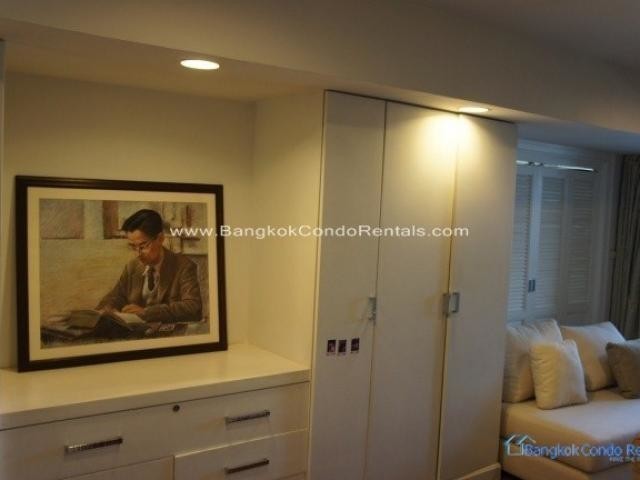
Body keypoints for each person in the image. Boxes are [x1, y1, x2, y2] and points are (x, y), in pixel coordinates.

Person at [96, 209, 202, 323]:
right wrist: (107, 309)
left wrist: (147, 313)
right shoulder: (132, 267)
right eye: (133, 247)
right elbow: (114, 297)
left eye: (143, 246)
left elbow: (193, 307)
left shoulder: (184, 266)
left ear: (160, 239)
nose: (137, 253)